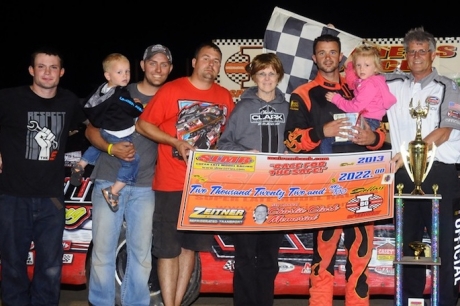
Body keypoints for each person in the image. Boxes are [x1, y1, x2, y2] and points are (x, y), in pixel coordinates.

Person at [283, 34, 386, 306]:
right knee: (324, 252)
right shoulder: (303, 93)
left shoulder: (360, 88)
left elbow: (384, 133)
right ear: (314, 58)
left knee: (360, 252)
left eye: (333, 52)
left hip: (363, 184)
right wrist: (321, 132)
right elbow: (291, 141)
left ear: (341, 58)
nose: (328, 57)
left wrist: (372, 139)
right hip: (324, 186)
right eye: (322, 52)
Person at [136, 41, 235, 306]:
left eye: (216, 61)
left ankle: (176, 303)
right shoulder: (172, 89)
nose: (211, 64)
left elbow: (230, 138)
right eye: (206, 58)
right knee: (168, 249)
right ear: (194, 62)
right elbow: (143, 124)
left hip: (203, 187)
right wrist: (174, 142)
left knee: (190, 248)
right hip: (170, 183)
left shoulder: (225, 96)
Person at [86, 44, 173, 306]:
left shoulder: (170, 98)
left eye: (164, 64)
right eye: (152, 62)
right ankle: (101, 303)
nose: (158, 68)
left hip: (147, 185)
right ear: (143, 65)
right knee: (102, 252)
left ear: (170, 69)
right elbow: (91, 131)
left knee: (142, 254)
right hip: (109, 179)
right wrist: (111, 148)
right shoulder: (121, 90)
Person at [0, 46, 85, 306]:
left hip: (52, 199)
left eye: (53, 67)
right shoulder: (9, 98)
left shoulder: (70, 101)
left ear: (61, 72)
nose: (47, 72)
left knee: (49, 268)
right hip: (13, 196)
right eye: (41, 66)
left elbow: (89, 129)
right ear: (31, 70)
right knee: (13, 265)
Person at [386, 27, 460, 306]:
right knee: (408, 244)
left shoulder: (447, 86)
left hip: (439, 171)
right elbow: (360, 72)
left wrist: (408, 154)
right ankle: (411, 301)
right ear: (405, 56)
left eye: (422, 51)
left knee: (446, 245)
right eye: (411, 51)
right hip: (403, 174)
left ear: (432, 54)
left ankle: (446, 302)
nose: (416, 56)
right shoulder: (392, 83)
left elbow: (445, 130)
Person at [217, 52, 287, 306]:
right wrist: (245, 155)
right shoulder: (243, 107)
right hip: (245, 192)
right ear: (254, 77)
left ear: (278, 76)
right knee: (245, 256)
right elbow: (222, 145)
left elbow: (297, 143)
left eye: (271, 73)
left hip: (278, 193)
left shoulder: (288, 107)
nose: (267, 79)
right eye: (261, 74)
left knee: (269, 257)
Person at [71, 53, 144, 212]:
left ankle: (80, 164)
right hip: (120, 134)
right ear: (107, 75)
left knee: (97, 147)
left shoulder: (102, 90)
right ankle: (113, 191)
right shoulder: (120, 93)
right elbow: (133, 110)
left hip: (105, 130)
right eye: (120, 72)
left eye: (127, 71)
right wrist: (139, 105)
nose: (125, 76)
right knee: (133, 160)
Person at [323, 44, 396, 153]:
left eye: (366, 65)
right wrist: (350, 65)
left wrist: (336, 99)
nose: (361, 69)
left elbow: (355, 107)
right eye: (358, 65)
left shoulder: (370, 85)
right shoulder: (369, 80)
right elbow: (353, 83)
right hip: (368, 120)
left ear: (376, 67)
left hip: (367, 122)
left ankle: (327, 166)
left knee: (327, 140)